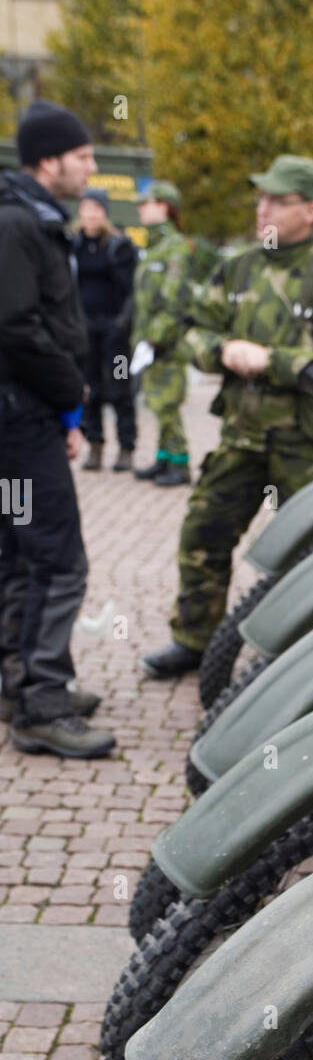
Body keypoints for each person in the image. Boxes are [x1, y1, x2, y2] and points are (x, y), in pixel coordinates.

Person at [141, 154, 313, 678]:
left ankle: (299, 663)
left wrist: (274, 362)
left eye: (276, 199)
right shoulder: (239, 266)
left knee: (310, 561)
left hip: (310, 448)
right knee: (203, 534)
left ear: (309, 209)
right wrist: (221, 351)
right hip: (241, 437)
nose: (262, 207)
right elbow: (193, 330)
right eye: (260, 197)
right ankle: (194, 640)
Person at [0, 100, 116, 757]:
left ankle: (19, 683)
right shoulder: (20, 224)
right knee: (56, 559)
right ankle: (42, 704)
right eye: (82, 158)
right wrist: (68, 391)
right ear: (49, 161)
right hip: (22, 424)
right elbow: (16, 326)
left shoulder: (28, 219)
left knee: (18, 553)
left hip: (24, 418)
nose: (91, 169)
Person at [131, 180, 193, 486]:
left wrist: (155, 338)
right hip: (150, 341)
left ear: (164, 207)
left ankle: (180, 464)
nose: (141, 208)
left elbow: (174, 299)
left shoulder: (175, 247)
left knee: (167, 404)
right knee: (157, 403)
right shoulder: (153, 247)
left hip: (166, 343)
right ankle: (164, 458)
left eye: (147, 203)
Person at [72, 187, 137, 471]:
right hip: (86, 331)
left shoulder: (120, 246)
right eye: (86, 209)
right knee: (91, 390)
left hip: (116, 333)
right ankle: (95, 444)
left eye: (96, 209)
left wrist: (121, 323)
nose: (91, 215)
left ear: (105, 213)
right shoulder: (72, 244)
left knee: (120, 390)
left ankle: (126, 446)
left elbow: (134, 289)